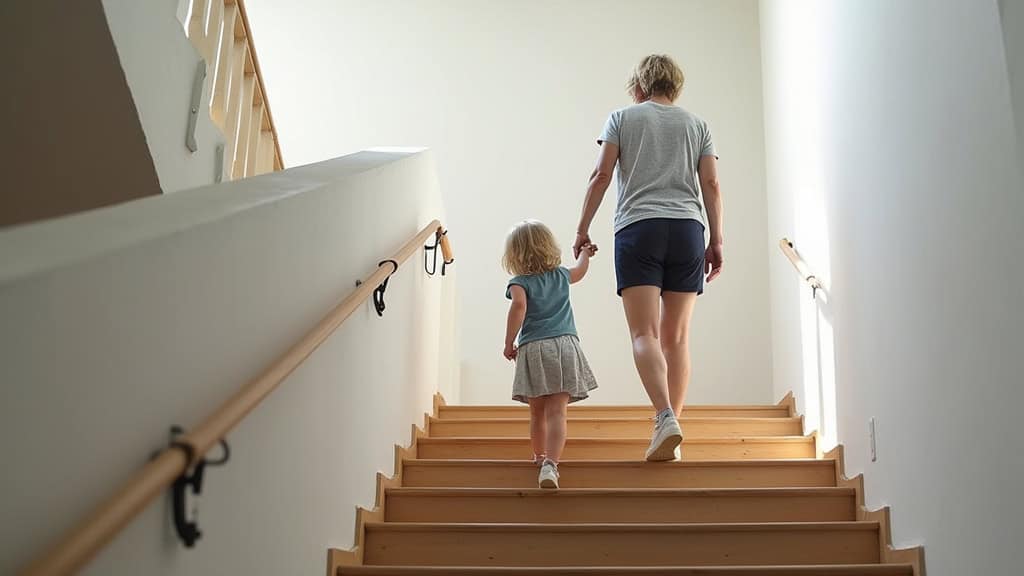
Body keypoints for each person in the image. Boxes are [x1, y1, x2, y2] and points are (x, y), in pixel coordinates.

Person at [573, 54, 724, 461]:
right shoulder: (698, 125)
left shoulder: (622, 118)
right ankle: (673, 429)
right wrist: (717, 239)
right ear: (675, 85)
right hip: (688, 229)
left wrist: (582, 228)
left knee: (645, 335)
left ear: (639, 85)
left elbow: (601, 176)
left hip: (639, 228)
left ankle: (664, 418)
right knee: (677, 338)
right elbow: (711, 183)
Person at [503, 220, 599, 488]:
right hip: (565, 345)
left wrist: (509, 342)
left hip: (534, 347)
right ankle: (551, 465)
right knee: (558, 412)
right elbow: (580, 270)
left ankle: (539, 456)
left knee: (537, 413)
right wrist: (585, 253)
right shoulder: (561, 275)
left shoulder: (518, 283)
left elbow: (518, 307)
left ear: (515, 255)